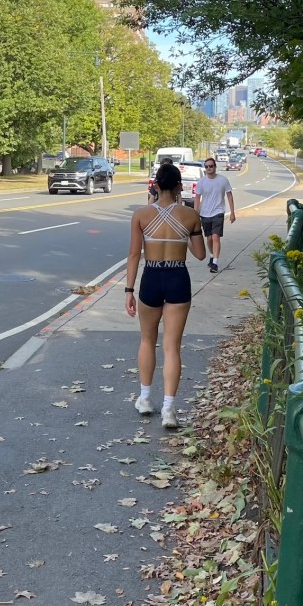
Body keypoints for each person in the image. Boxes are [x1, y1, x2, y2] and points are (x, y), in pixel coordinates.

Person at [124, 162, 207, 429]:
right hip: (178, 276)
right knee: (172, 346)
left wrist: (129, 289)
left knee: (147, 340)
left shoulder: (141, 215)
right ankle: (169, 409)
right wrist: (188, 228)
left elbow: (134, 254)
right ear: (179, 186)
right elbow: (200, 254)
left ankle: (146, 399)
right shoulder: (190, 215)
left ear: (156, 185)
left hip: (151, 276)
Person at [193, 157, 236, 274]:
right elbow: (197, 197)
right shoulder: (202, 182)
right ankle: (212, 255)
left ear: (215, 167)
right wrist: (195, 213)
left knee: (216, 236)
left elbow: (229, 195)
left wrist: (232, 213)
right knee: (209, 238)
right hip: (205, 213)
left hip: (218, 211)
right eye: (206, 166)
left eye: (211, 166)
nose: (209, 168)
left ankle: (215, 262)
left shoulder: (223, 180)